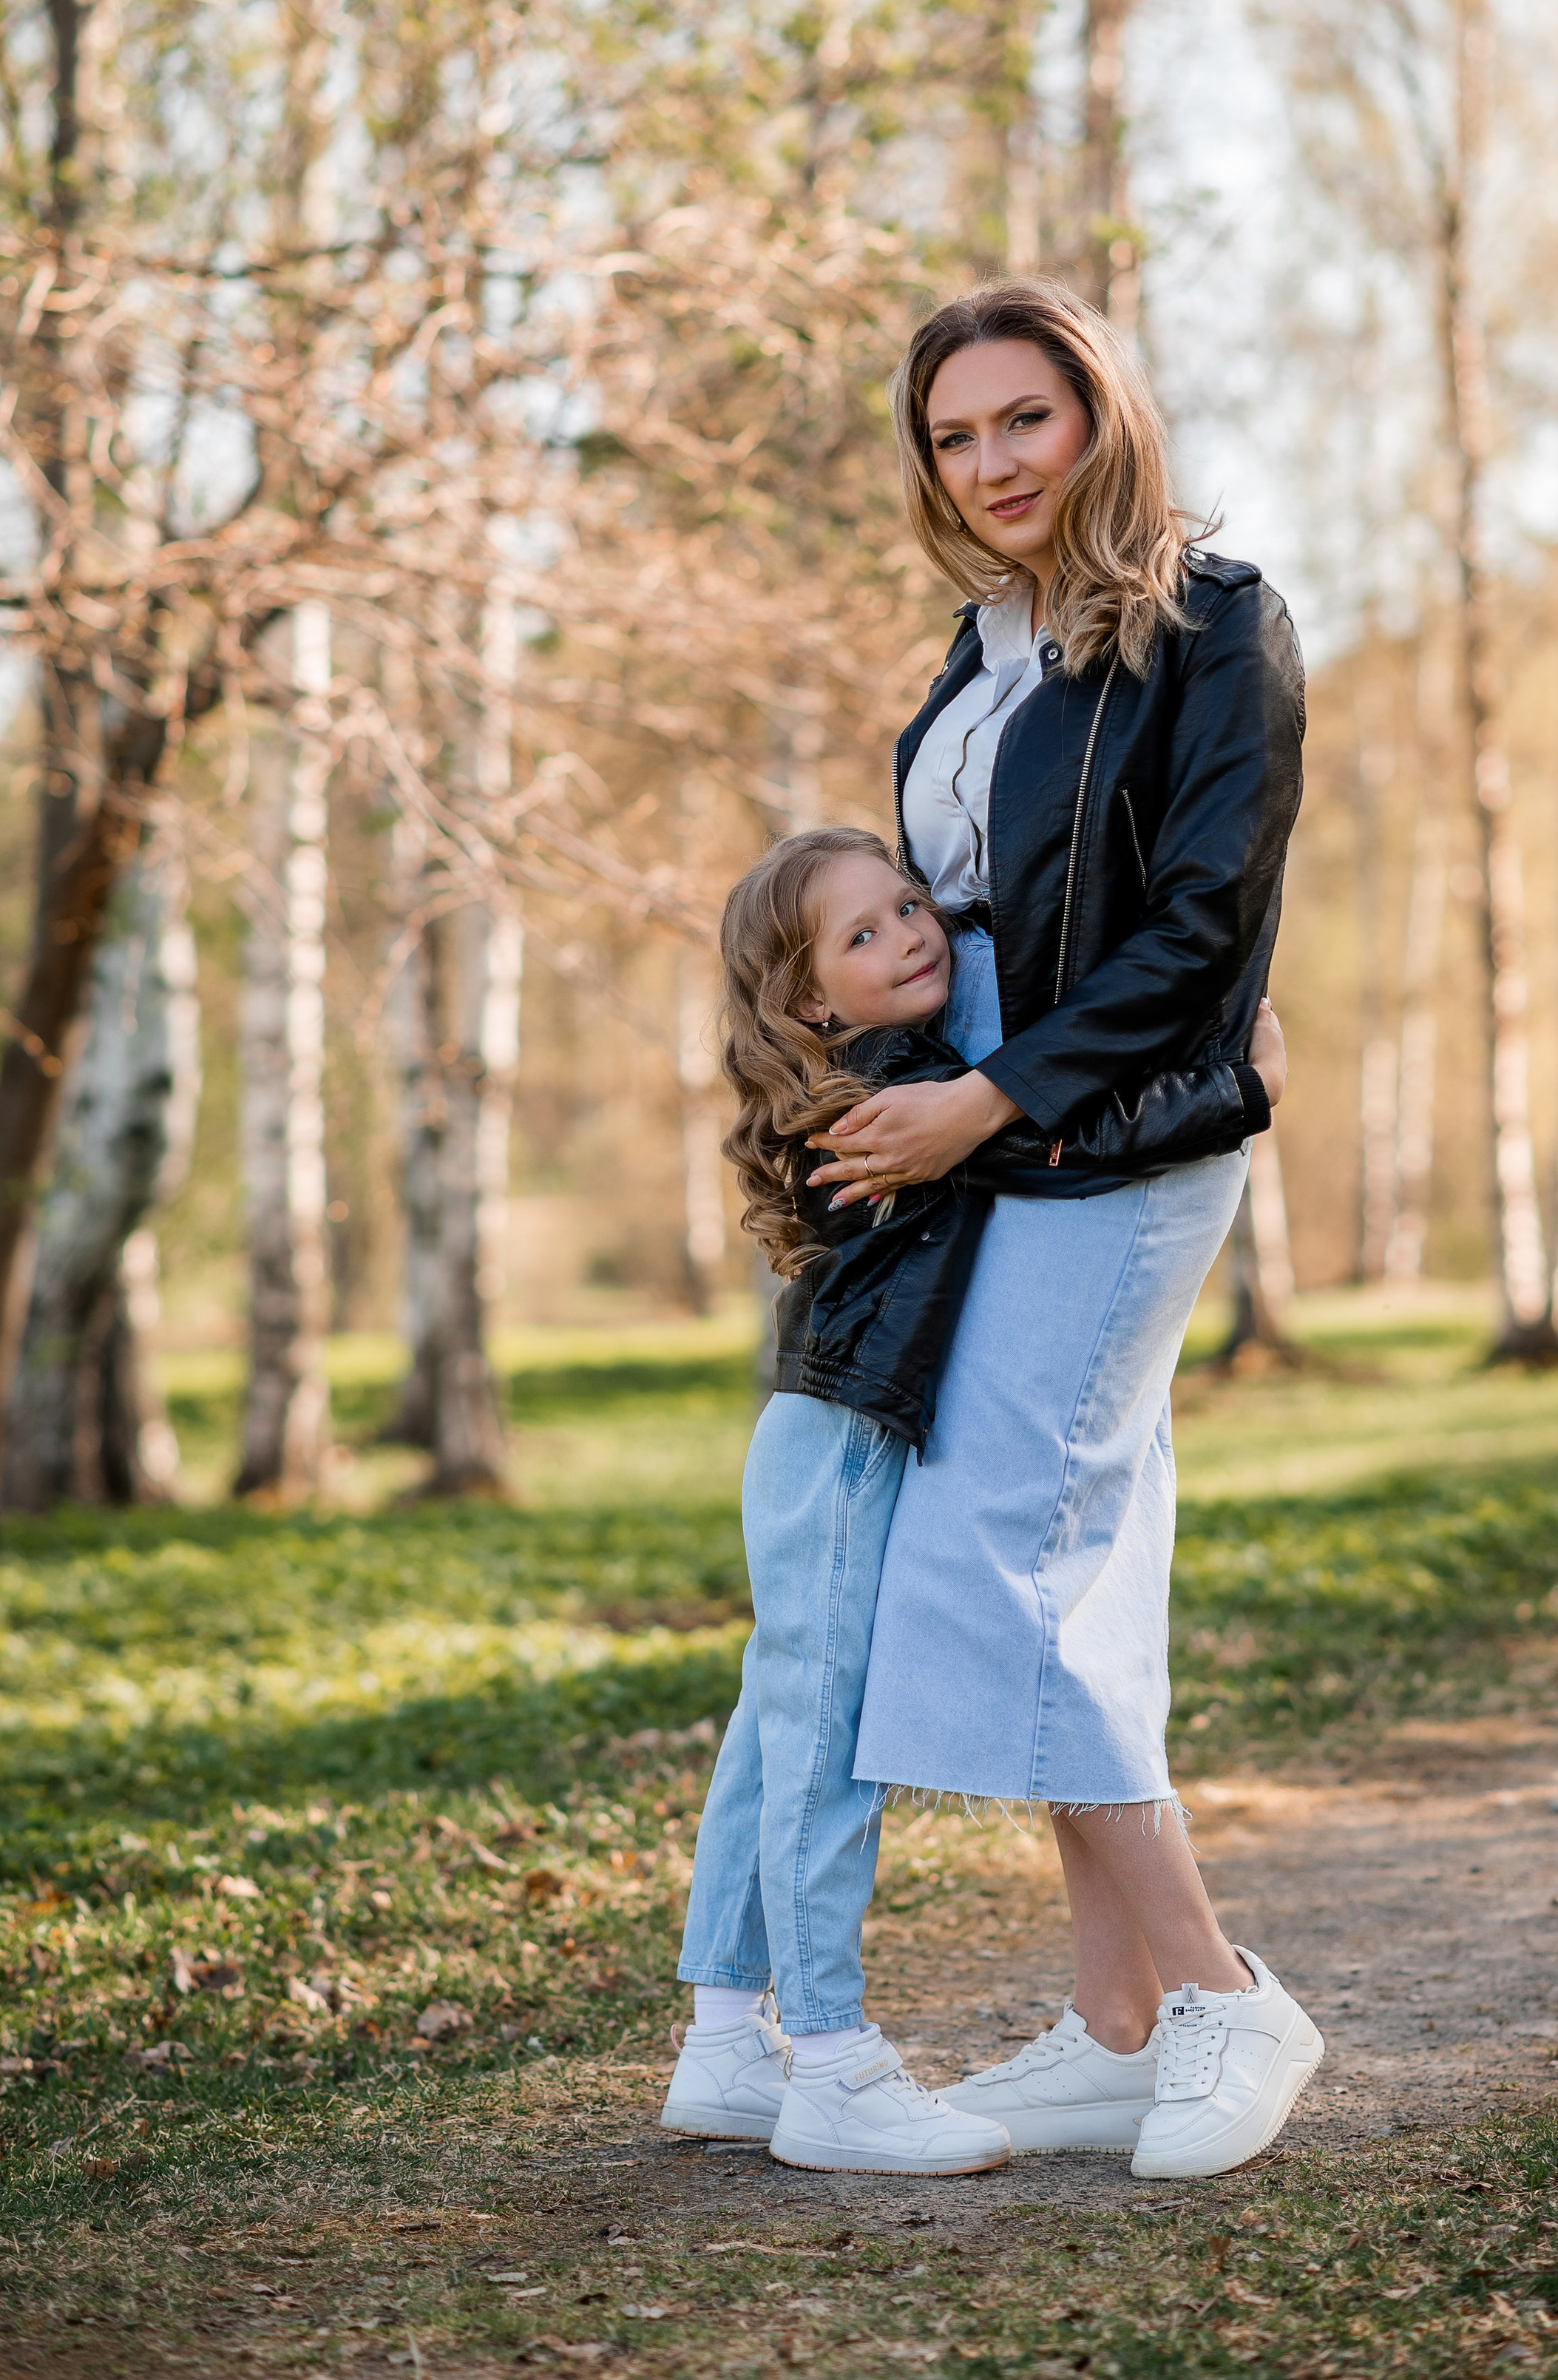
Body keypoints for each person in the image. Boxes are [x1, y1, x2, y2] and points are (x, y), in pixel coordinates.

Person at [807, 277, 1323, 2180]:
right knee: (1067, 1564)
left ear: (1096, 415)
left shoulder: (1214, 623)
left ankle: (1215, 1993)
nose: (989, 462)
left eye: (1022, 418)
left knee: (994, 1564)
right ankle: (1115, 2024)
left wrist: (994, 1092)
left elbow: (1197, 926)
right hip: (976, 1122)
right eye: (952, 436)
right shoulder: (981, 645)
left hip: (1106, 1127)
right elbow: (952, 915)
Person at [661, 824, 1287, 2175]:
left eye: (907, 903)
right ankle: (827, 2056)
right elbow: (1030, 1149)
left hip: (835, 1432)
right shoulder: (890, 1089)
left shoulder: (891, 1068)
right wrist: (1231, 1085)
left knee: (780, 1719)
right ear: (814, 1001)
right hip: (844, 1446)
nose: (914, 933)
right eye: (866, 935)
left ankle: (722, 2033)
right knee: (822, 1734)